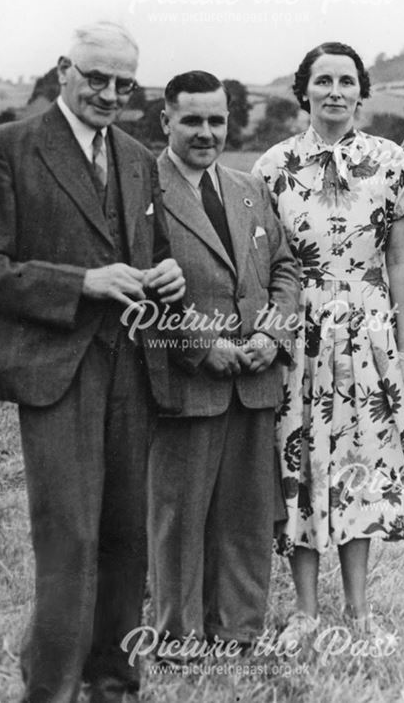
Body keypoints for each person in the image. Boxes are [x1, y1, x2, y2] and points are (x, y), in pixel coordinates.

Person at [0, 22, 185, 703]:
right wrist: (80, 284)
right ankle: (53, 690)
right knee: (68, 537)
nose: (111, 93)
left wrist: (165, 276)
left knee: (127, 534)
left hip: (131, 362)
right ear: (64, 69)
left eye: (125, 83)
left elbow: (140, 253)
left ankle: (115, 682)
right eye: (97, 78)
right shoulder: (4, 147)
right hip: (55, 368)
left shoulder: (136, 154)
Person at [252, 41, 404, 647]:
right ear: (303, 90)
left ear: (361, 90)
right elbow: (264, 263)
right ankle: (304, 612)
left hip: (369, 334)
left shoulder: (391, 161)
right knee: (299, 465)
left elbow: (400, 259)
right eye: (322, 80)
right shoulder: (272, 166)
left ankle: (358, 612)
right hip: (300, 333)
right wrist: (272, 336)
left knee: (358, 468)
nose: (334, 91)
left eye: (346, 81)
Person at [145, 71, 299, 654]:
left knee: (247, 517)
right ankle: (177, 638)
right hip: (187, 384)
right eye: (192, 120)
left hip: (255, 382)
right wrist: (200, 346)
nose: (206, 132)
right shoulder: (142, 190)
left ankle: (238, 632)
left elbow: (285, 267)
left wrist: (273, 334)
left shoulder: (247, 187)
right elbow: (141, 289)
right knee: (179, 521)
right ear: (166, 121)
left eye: (216, 120)